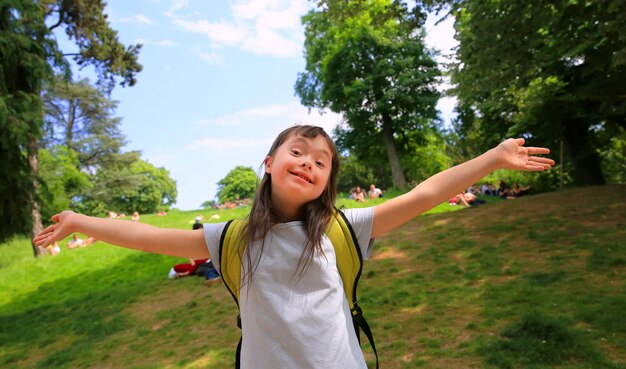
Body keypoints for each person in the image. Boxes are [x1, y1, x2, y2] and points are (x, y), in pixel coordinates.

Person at [34, 124, 554, 369]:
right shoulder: (231, 238)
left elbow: (425, 194)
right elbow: (148, 236)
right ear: (269, 162)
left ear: (327, 182)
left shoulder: (345, 228)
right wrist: (84, 220)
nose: (308, 161)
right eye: (298, 151)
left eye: (321, 160)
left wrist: (490, 157)